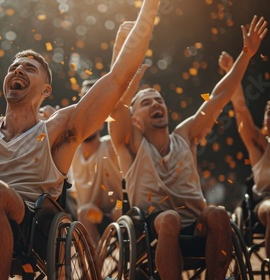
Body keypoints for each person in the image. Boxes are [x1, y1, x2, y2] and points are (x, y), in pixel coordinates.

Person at [0, 0, 160, 278]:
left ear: (46, 89)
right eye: (14, 67)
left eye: (28, 69)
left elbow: (117, 79)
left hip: (27, 223)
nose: (18, 70)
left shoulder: (57, 129)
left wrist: (150, 7)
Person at [109, 15, 268, 279]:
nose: (156, 104)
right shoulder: (131, 142)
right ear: (135, 119)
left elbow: (219, 96)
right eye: (146, 103)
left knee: (218, 213)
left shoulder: (185, 134)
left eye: (159, 100)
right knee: (169, 218)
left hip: (196, 226)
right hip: (150, 228)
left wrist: (246, 55)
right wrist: (120, 54)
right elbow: (114, 105)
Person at [67, 79, 124, 245]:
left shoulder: (110, 145)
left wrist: (120, 206)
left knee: (119, 212)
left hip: (118, 211)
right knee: (84, 212)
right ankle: (93, 269)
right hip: (89, 215)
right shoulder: (71, 150)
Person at [227, 50, 270, 258]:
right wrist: (231, 71)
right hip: (264, 205)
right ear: (265, 123)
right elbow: (242, 110)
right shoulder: (260, 144)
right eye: (269, 113)